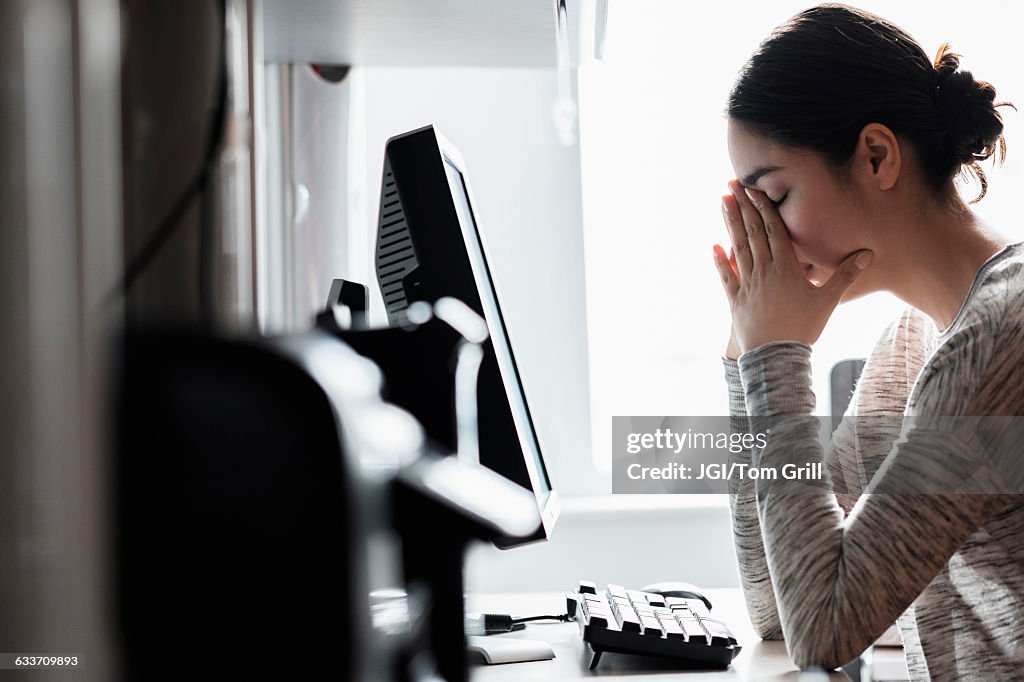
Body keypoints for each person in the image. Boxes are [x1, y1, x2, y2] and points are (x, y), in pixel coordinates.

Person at [710, 4, 1023, 680]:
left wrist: (777, 358)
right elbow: (780, 602)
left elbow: (824, 630)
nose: (764, 235)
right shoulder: (913, 344)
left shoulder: (1001, 335)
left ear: (877, 156)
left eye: (775, 196)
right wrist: (747, 353)